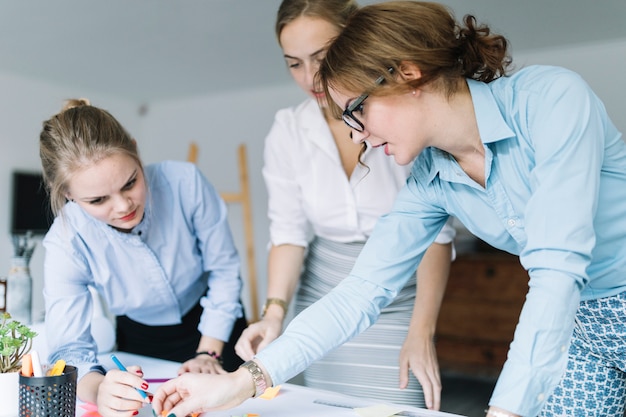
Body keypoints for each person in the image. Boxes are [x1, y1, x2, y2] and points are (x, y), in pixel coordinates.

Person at [153, 2, 626, 417]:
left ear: (407, 73)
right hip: (580, 320)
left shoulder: (551, 99)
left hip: (571, 295)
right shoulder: (429, 178)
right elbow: (361, 291)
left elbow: (557, 267)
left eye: (356, 111)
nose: (356, 135)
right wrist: (239, 382)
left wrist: (502, 409)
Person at [233, 0, 455, 409]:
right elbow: (288, 234)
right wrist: (274, 314)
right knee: (323, 407)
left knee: (393, 404)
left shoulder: (404, 119)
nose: (310, 76)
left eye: (321, 57)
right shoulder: (288, 130)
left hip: (397, 295)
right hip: (322, 296)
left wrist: (421, 330)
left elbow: (436, 235)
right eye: (293, 63)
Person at [39, 99, 247, 417]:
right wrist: (100, 390)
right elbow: (69, 350)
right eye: (97, 200)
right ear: (67, 192)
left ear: (136, 151)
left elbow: (224, 270)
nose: (123, 207)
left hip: (217, 328)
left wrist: (208, 353)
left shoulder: (185, 183)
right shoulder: (66, 241)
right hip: (139, 339)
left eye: (130, 183)